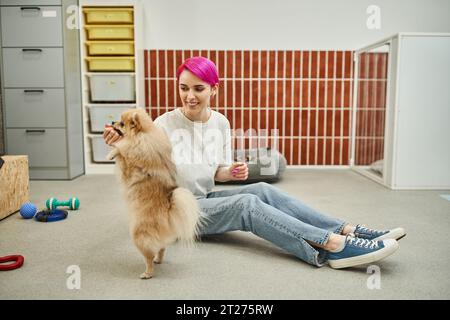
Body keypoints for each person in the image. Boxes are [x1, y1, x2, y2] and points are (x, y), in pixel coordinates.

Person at [104, 56, 406, 269]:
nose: (190, 95)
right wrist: (120, 142)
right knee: (246, 205)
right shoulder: (163, 123)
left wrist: (231, 172)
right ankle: (332, 245)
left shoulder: (220, 123)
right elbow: (139, 160)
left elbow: (216, 174)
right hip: (175, 208)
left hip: (205, 197)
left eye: (198, 88)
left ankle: (348, 229)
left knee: (261, 188)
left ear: (213, 89)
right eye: (184, 87)